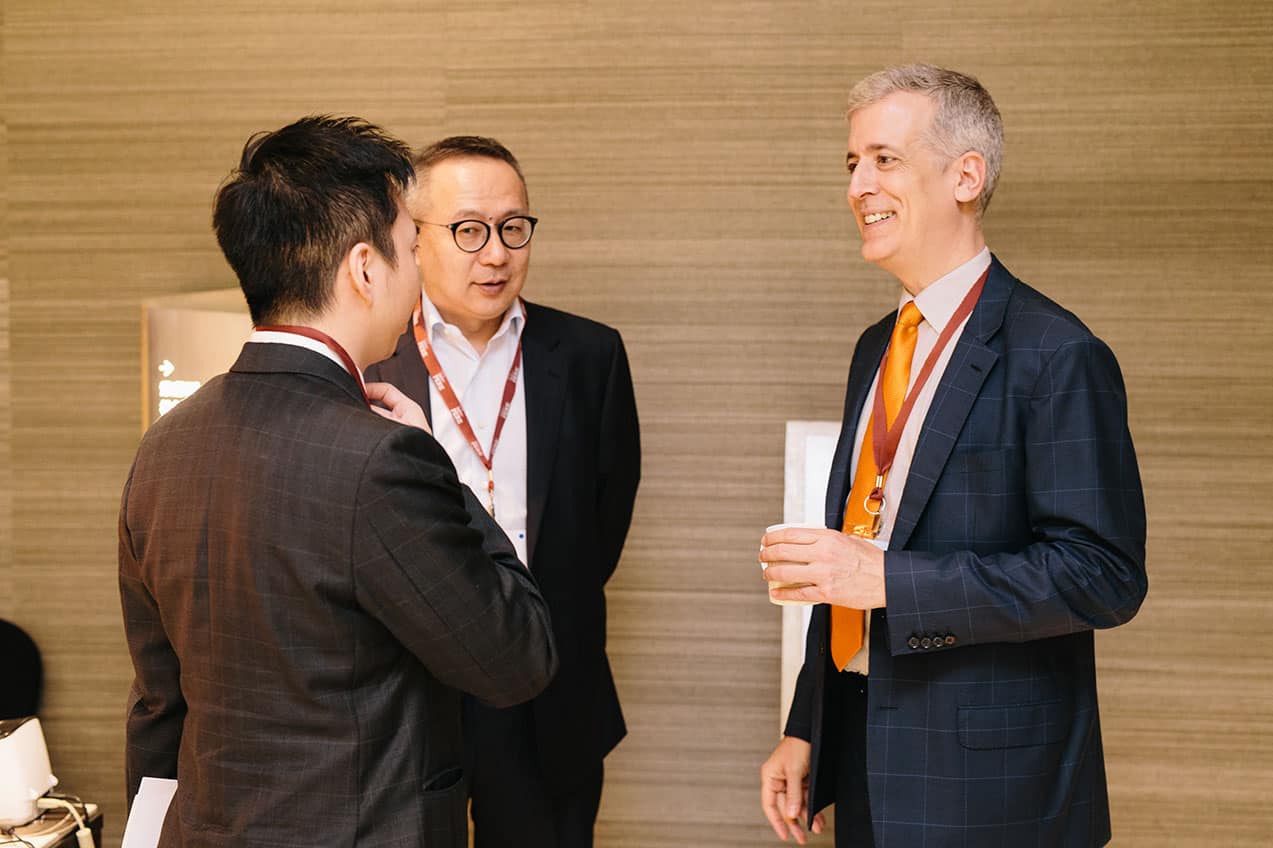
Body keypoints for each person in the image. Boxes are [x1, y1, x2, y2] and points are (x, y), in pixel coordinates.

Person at [118, 115, 557, 848]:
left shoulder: (164, 445)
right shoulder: (385, 458)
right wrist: (444, 471)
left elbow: (158, 704)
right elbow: (515, 657)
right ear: (364, 269)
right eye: (409, 248)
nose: (416, 274)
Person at [758, 65, 1147, 847]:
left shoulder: (1056, 352)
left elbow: (1102, 576)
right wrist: (807, 726)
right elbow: (859, 545)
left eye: (884, 159)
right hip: (862, 749)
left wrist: (888, 581)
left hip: (991, 788)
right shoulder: (876, 346)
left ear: (965, 176)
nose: (857, 186)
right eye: (852, 163)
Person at [365, 135, 640, 848]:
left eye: (513, 227)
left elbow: (604, 522)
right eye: (469, 230)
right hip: (410, 682)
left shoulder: (589, 356)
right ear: (414, 237)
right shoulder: (370, 361)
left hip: (545, 679)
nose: (496, 254)